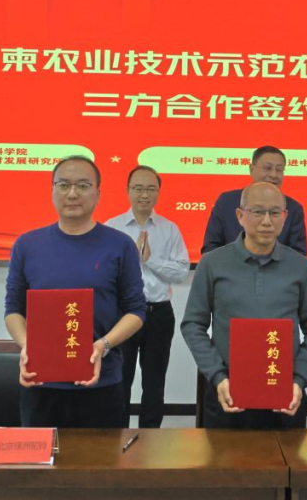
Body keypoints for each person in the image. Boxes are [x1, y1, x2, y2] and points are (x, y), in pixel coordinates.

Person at [4, 155, 146, 428]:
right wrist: (27, 346)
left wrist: (103, 346)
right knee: (42, 456)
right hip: (40, 382)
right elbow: (13, 309)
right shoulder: (27, 245)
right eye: (63, 185)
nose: (72, 193)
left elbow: (136, 311)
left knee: (102, 457)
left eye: (82, 185)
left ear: (98, 193)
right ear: (52, 191)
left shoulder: (120, 245)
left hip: (101, 383)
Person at [182, 181, 307, 429]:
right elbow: (193, 325)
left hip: (285, 396)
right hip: (227, 393)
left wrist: (299, 380)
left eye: (275, 212)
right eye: (258, 211)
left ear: (284, 217)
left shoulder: (301, 266)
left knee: (287, 455)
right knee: (225, 454)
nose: (267, 221)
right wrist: (218, 376)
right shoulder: (212, 263)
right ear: (240, 216)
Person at [105, 165, 189, 428]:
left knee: (154, 382)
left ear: (158, 192)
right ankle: (116, 435)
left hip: (158, 314)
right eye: (138, 188)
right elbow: (103, 273)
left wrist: (150, 260)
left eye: (151, 189)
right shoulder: (112, 228)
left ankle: (150, 438)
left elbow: (181, 272)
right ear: (128, 191)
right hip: (124, 314)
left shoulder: (169, 229)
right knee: (120, 379)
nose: (144, 194)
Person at [202, 145, 307, 255]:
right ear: (252, 169)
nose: (274, 175)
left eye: (279, 170)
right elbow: (210, 248)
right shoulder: (226, 202)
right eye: (268, 168)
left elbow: (298, 255)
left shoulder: (294, 208)